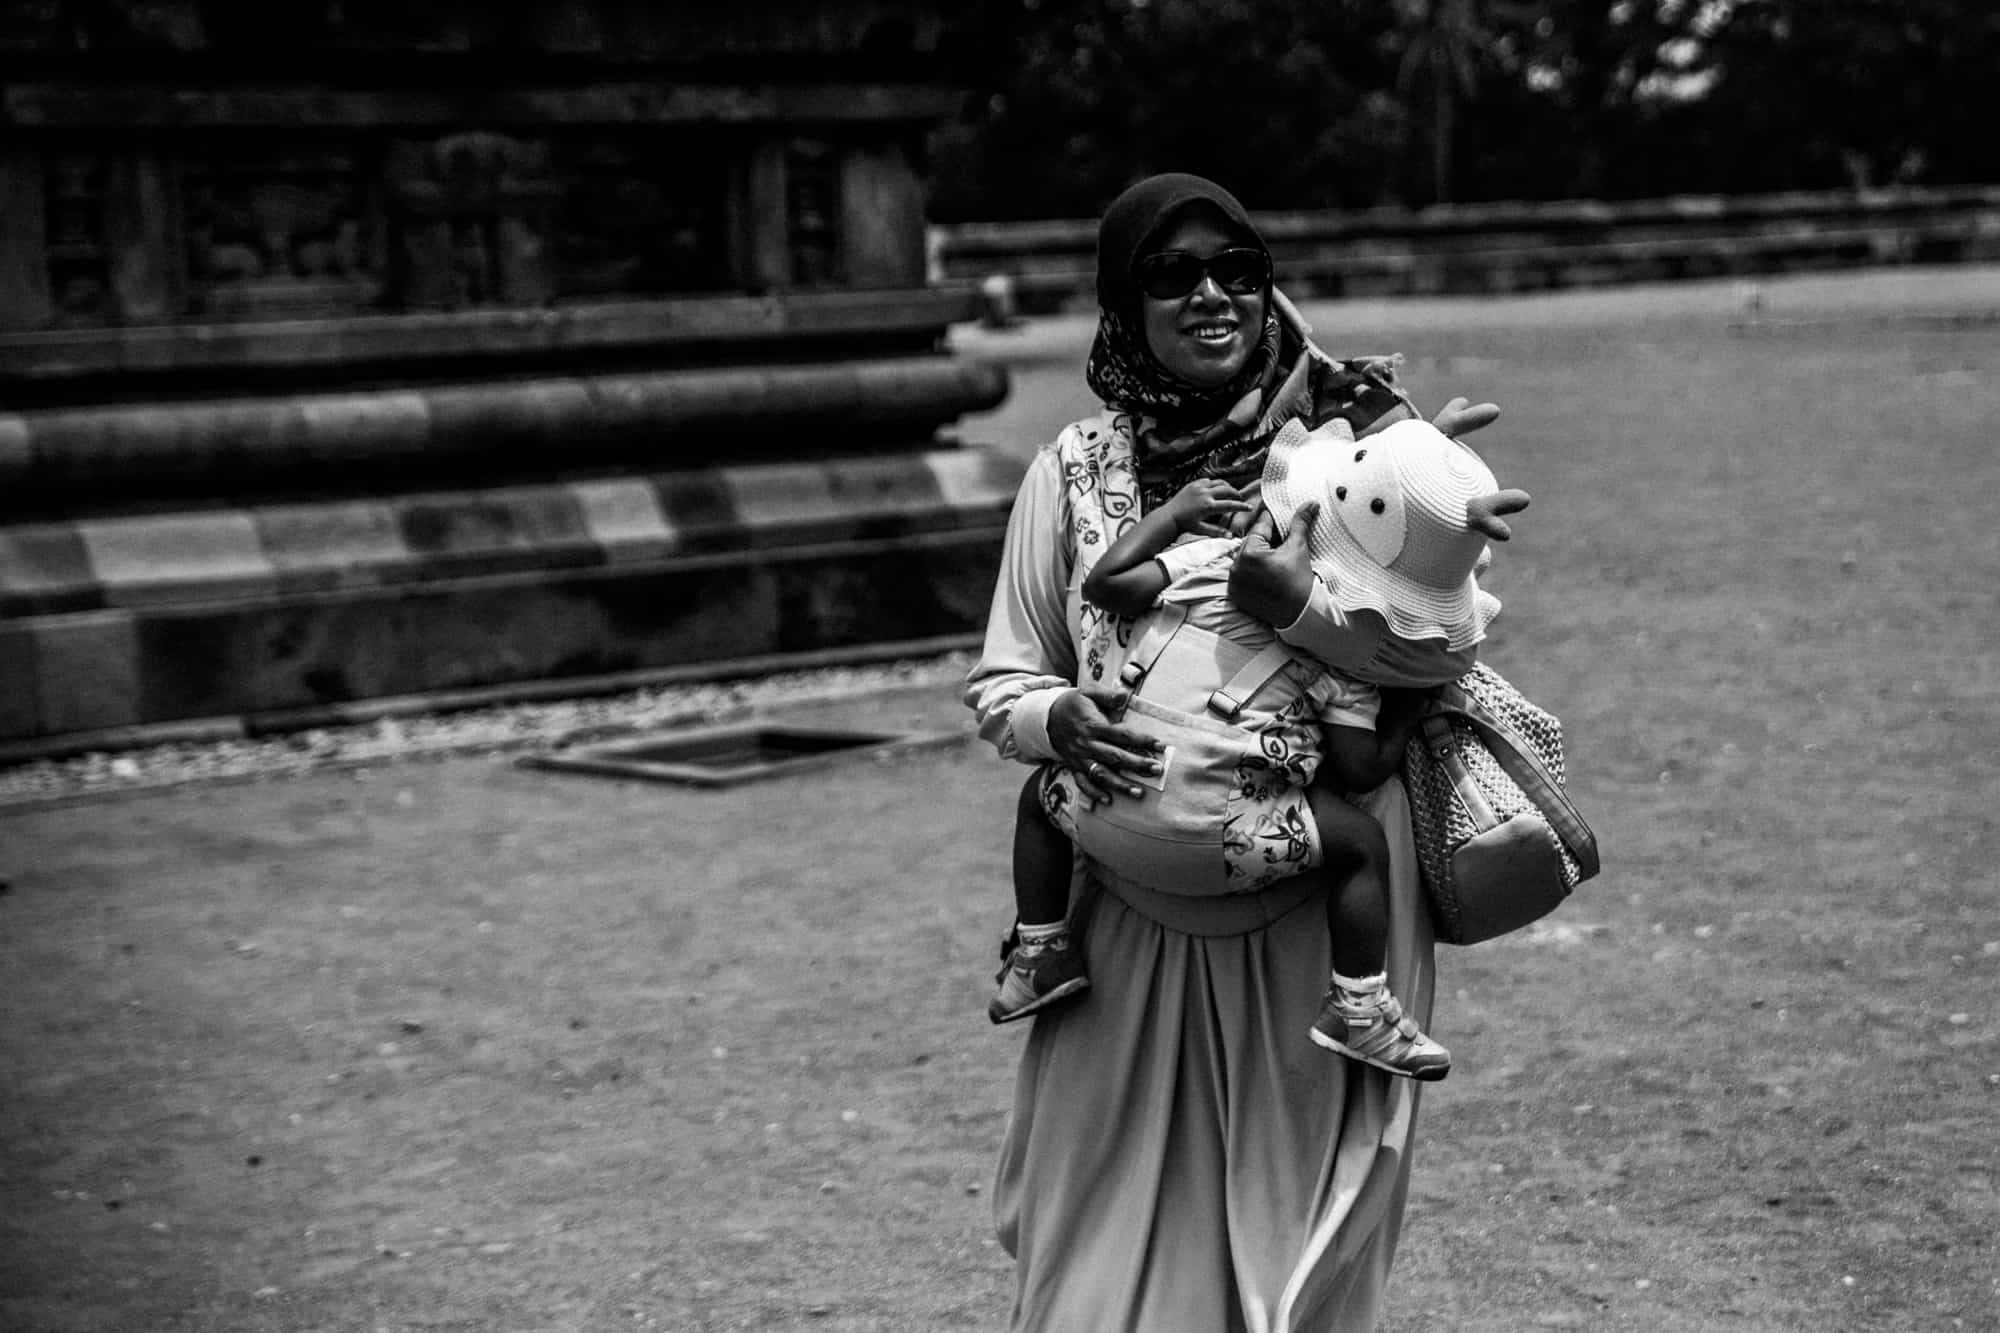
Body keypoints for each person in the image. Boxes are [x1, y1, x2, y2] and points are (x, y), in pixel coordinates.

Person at [965, 171, 1499, 1332]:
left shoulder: (1362, 452)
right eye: (1171, 274)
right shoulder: (1071, 475)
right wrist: (1059, 720)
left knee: (1297, 1224)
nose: (1211, 294)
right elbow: (1002, 680)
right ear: (1121, 302)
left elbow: (1436, 648)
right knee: (1086, 1219)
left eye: (1237, 270)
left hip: (1319, 918)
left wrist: (1297, 609)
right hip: (1120, 910)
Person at [989, 417, 1529, 1085]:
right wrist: (1410, 712)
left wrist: (1173, 516)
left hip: (1104, 808)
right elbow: (1361, 766)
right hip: (1228, 841)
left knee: (1038, 798)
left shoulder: (1207, 559)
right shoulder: (1349, 655)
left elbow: (1106, 585)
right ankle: (1361, 1005)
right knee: (1360, 843)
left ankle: (1037, 951)